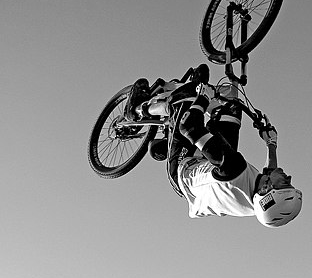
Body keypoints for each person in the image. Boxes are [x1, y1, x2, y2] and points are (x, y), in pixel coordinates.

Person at [127, 69, 302, 228]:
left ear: (266, 189)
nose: (289, 177)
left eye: (286, 183)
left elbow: (189, 127)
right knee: (231, 111)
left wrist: (204, 97)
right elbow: (271, 173)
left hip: (184, 170)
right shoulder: (259, 200)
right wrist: (271, 143)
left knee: (185, 98)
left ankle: (137, 111)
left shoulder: (234, 168)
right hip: (213, 167)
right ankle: (167, 143)